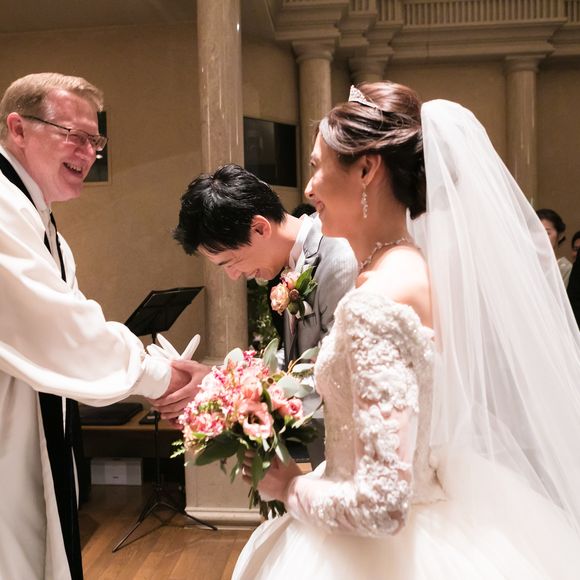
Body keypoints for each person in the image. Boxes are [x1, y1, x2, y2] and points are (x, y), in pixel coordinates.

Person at [232, 82, 580, 579]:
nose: (308, 189)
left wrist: (288, 487)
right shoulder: (409, 265)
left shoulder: (379, 299)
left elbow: (381, 506)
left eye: (316, 166)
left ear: (366, 170)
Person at [0, 73, 198, 580]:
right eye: (74, 136)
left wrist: (153, 371)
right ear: (17, 129)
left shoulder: (39, 220)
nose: (89, 153)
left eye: (96, 140)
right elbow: (60, 331)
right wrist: (163, 378)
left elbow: (72, 319)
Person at [161, 164, 358, 467]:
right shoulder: (294, 263)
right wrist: (220, 378)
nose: (233, 275)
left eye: (231, 262)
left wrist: (229, 393)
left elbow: (338, 373)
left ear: (259, 228)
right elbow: (298, 359)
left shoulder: (339, 258)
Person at [537, 208, 573, 286]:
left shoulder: (565, 268)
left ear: (560, 235)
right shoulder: (526, 263)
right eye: (536, 232)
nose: (541, 237)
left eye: (547, 233)